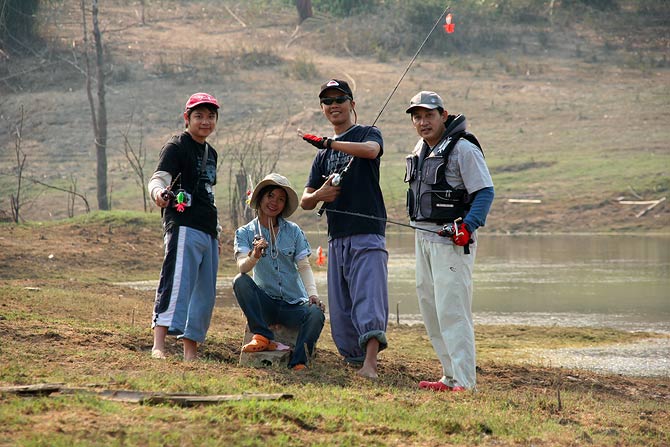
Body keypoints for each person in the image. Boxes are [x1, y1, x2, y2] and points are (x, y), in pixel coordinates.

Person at [404, 91, 494, 391]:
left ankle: (466, 382)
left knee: (452, 311)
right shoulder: (421, 148)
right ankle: (449, 375)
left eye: (428, 115)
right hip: (423, 237)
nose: (422, 122)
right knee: (431, 310)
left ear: (443, 115)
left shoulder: (463, 148)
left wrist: (468, 227)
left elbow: (484, 192)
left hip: (452, 241)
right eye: (417, 116)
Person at [299, 79, 389, 379]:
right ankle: (354, 361)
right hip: (337, 237)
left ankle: (371, 365)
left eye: (340, 98)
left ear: (352, 104)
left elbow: (371, 151)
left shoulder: (366, 133)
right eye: (327, 100)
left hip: (367, 230)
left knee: (369, 298)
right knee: (341, 306)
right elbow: (305, 200)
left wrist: (329, 142)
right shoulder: (320, 157)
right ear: (322, 108)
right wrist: (319, 195)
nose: (333, 104)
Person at [147, 92, 222, 361]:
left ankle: (190, 351)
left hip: (208, 229)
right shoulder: (176, 146)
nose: (205, 121)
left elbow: (208, 193)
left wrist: (218, 230)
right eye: (199, 116)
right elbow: (158, 179)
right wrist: (158, 195)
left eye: (211, 116)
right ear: (187, 118)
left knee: (204, 293)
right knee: (176, 282)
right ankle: (159, 345)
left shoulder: (210, 152)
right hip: (183, 224)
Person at [232, 173, 326, 371]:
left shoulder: (294, 231)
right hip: (266, 301)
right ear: (260, 198)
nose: (274, 203)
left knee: (316, 313)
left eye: (281, 199)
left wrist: (313, 295)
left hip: (293, 304)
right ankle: (262, 335)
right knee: (240, 281)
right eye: (270, 196)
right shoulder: (245, 233)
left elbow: (304, 265)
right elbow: (243, 267)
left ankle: (299, 360)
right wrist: (255, 255)